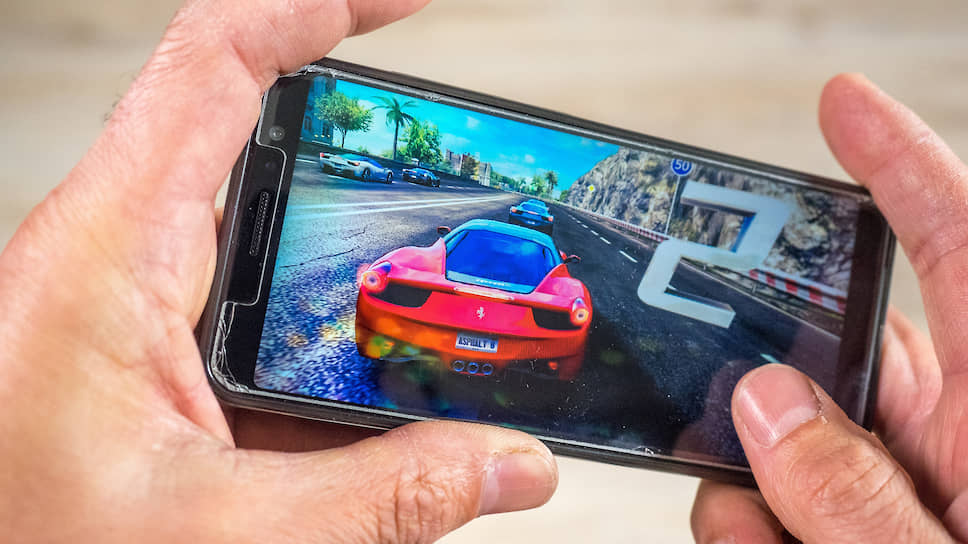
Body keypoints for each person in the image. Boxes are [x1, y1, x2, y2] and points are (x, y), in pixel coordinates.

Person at [0, 1, 964, 542]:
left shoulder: (436, 257)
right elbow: (555, 296)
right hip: (516, 328)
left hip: (423, 311)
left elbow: (399, 276)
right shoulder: (548, 267)